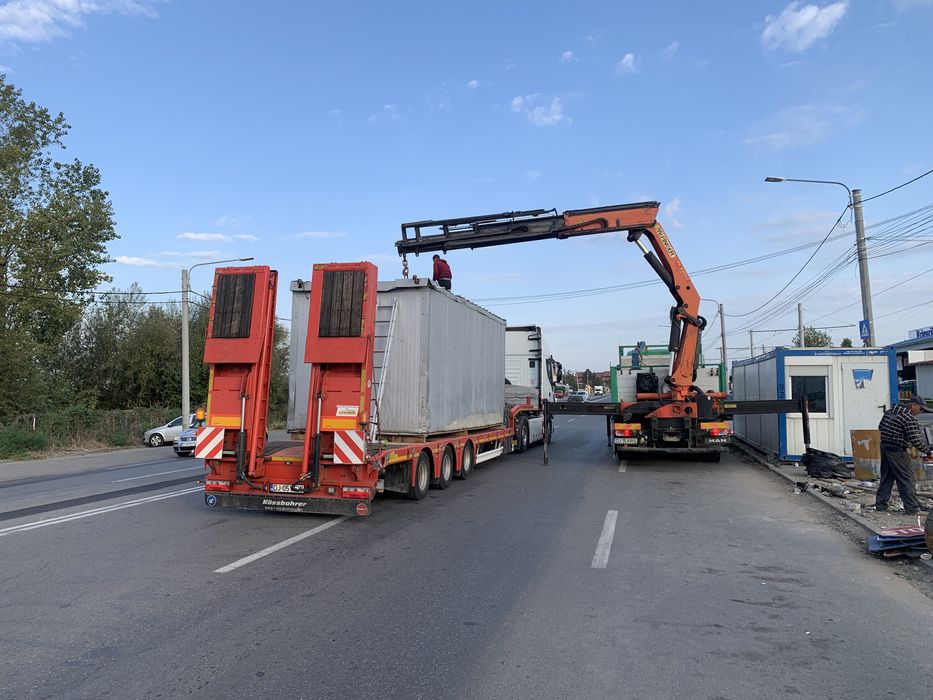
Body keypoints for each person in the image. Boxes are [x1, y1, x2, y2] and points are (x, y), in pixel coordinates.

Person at [875, 396, 933, 515]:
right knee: (906, 478)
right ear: (913, 406)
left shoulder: (890, 412)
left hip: (885, 446)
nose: (920, 411)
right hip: (897, 450)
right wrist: (928, 452)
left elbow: (880, 427)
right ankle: (911, 507)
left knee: (887, 477)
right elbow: (916, 440)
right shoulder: (908, 418)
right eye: (920, 409)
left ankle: (881, 504)